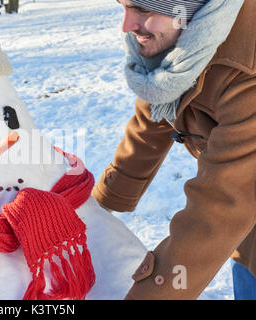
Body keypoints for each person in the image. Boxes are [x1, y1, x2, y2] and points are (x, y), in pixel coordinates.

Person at [92, 0, 255, 299]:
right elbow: (155, 115)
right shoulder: (187, 48)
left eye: (144, 10)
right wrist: (97, 206)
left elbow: (220, 204)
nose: (126, 25)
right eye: (124, 7)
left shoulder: (247, 70)